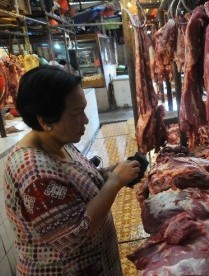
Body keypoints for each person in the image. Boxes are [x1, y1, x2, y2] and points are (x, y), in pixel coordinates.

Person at [4, 66, 141, 275]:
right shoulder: (33, 172)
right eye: (77, 113)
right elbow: (74, 235)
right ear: (45, 120)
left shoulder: (60, 143)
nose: (85, 120)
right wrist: (114, 183)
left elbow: (77, 186)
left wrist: (110, 173)